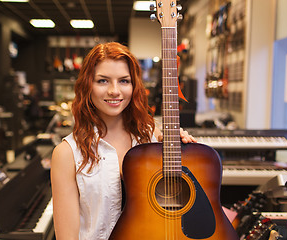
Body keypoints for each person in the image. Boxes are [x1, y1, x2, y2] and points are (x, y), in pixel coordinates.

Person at [51, 42, 196, 240]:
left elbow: (176, 208)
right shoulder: (66, 154)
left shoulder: (150, 137)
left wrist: (188, 154)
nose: (114, 91)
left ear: (134, 85)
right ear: (87, 85)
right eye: (102, 81)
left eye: (124, 81)